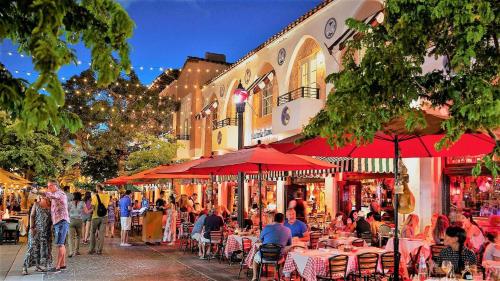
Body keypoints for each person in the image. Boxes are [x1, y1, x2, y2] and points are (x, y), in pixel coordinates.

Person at [34, 180, 69, 273]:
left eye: (49, 186)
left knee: (60, 244)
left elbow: (51, 195)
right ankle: (63, 264)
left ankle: (57, 266)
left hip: (61, 221)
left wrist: (38, 191)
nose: (48, 188)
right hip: (59, 222)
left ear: (55, 185)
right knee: (61, 244)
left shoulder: (59, 193)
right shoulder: (56, 194)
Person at [251, 212, 291, 281]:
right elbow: (289, 244)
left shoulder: (267, 227)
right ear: (283, 220)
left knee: (255, 258)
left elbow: (260, 240)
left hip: (264, 255)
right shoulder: (288, 230)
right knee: (283, 257)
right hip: (278, 257)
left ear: (274, 219)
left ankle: (254, 277)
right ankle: (277, 276)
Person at [22, 196, 52, 275]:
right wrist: (32, 228)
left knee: (41, 250)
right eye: (44, 196)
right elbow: (32, 216)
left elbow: (52, 220)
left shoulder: (51, 206)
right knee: (31, 249)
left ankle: (38, 266)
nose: (45, 197)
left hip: (46, 232)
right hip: (36, 230)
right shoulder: (36, 204)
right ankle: (24, 267)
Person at [89, 184, 110, 255]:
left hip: (95, 217)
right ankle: (99, 250)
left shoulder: (95, 196)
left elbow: (93, 207)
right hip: (104, 216)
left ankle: (92, 249)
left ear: (98, 188)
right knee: (101, 234)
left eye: (96, 188)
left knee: (92, 233)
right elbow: (107, 205)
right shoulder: (107, 196)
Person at [68, 192, 88, 258]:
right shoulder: (82, 203)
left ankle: (71, 251)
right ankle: (76, 251)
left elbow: (66, 211)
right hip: (79, 221)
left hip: (71, 220)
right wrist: (92, 209)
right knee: (78, 236)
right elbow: (86, 212)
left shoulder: (70, 203)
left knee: (70, 237)